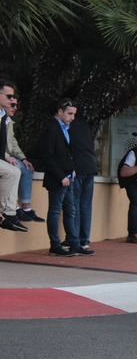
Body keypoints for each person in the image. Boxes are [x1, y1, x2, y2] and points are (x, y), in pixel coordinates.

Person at [41, 98, 93, 256]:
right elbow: (47, 156)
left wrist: (72, 170)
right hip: (58, 179)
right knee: (55, 211)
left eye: (74, 114)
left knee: (71, 211)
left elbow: (68, 153)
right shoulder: (52, 128)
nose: (72, 117)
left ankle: (74, 243)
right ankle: (55, 245)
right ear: (60, 112)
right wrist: (60, 176)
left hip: (69, 176)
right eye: (69, 114)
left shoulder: (65, 129)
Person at [61, 115, 98, 252]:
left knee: (73, 204)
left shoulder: (66, 126)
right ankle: (84, 240)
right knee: (85, 206)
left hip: (77, 168)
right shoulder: (84, 124)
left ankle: (73, 239)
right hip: (90, 165)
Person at [4, 100, 45, 223]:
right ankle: (15, 207)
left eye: (17, 105)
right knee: (14, 170)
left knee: (27, 169)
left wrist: (23, 158)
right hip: (3, 157)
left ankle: (26, 207)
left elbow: (13, 142)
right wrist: (6, 156)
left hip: (6, 156)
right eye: (12, 105)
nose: (15, 108)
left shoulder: (8, 121)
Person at [0, 79, 27, 231]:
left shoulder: (5, 118)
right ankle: (9, 212)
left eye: (13, 97)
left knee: (16, 171)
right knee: (11, 171)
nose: (12, 100)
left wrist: (22, 157)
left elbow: (11, 142)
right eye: (8, 96)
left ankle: (10, 213)